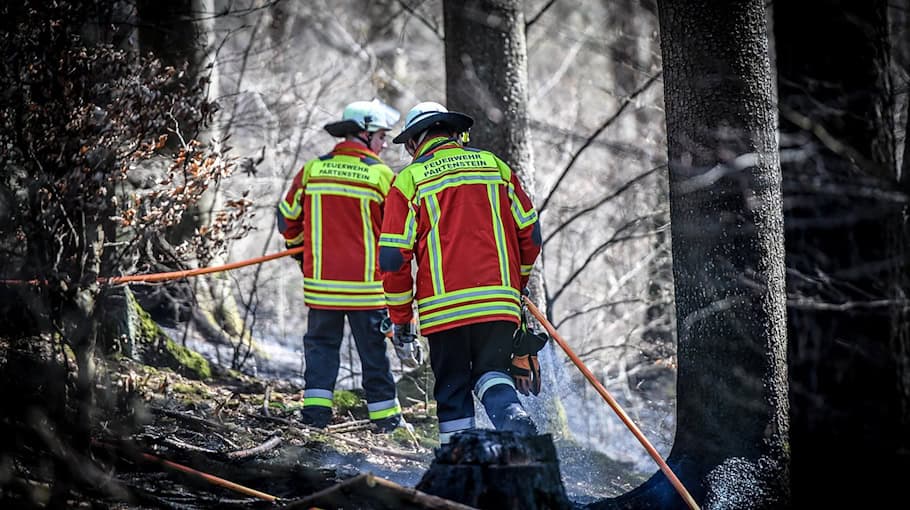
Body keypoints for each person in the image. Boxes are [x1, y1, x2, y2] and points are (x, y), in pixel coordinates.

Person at [378, 101, 543, 444]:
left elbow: (393, 259)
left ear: (414, 142)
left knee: (453, 390)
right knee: (492, 373)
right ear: (456, 134)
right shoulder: (495, 167)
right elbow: (531, 234)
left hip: (444, 310)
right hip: (498, 303)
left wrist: (401, 319)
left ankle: (461, 462)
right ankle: (513, 419)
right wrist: (517, 285)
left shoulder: (409, 180)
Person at [277, 99, 404, 433]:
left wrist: (301, 255)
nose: (384, 144)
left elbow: (286, 218)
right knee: (374, 355)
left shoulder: (313, 170)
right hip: (368, 291)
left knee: (321, 351)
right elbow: (396, 233)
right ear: (364, 133)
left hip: (322, 288)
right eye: (381, 136)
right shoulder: (381, 176)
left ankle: (314, 418)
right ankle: (387, 422)